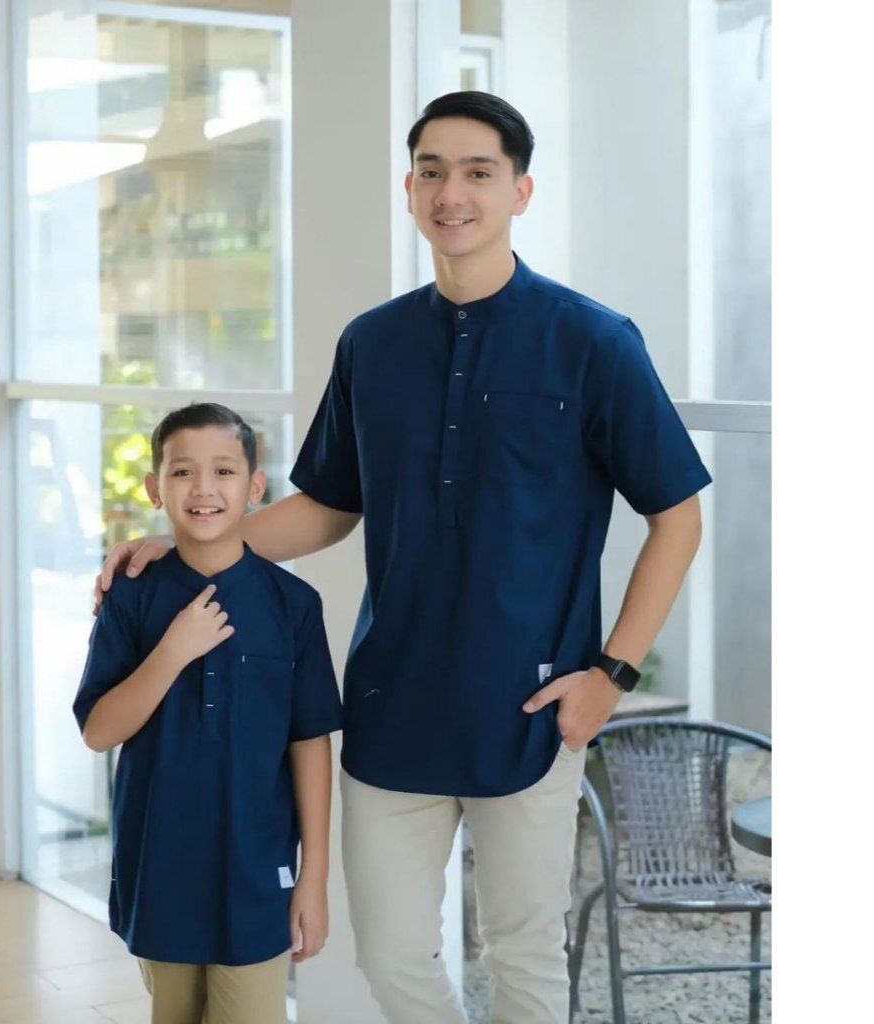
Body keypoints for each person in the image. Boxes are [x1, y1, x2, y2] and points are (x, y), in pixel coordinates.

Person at [94, 92, 712, 1024]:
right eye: (432, 171)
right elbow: (328, 508)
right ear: (410, 189)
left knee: (525, 958)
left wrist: (611, 676)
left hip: (533, 708)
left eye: (478, 173)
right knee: (387, 958)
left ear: (520, 191)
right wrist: (194, 542)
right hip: (393, 706)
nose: (451, 193)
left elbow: (677, 516)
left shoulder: (593, 342)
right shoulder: (372, 344)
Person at [75, 402, 342, 1024]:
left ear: (255, 487)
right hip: (159, 864)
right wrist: (172, 652)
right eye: (182, 472)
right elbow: (99, 731)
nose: (203, 488)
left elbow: (309, 742)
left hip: (257, 866)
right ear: (154, 488)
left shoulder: (294, 604)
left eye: (224, 471)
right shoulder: (130, 596)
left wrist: (314, 878)